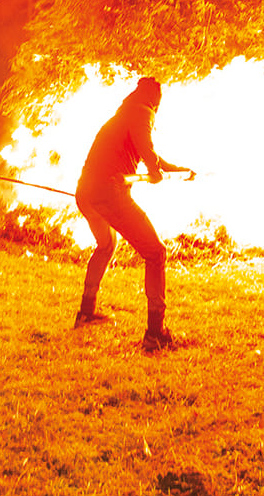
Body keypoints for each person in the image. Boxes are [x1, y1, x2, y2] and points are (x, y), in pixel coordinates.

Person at [74, 76, 192, 351]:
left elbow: (149, 154)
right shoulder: (142, 111)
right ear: (154, 97)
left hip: (86, 191)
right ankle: (155, 334)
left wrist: (176, 170)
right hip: (109, 192)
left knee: (106, 245)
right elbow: (145, 147)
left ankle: (86, 313)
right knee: (156, 253)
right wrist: (153, 169)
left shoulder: (123, 114)